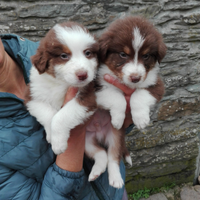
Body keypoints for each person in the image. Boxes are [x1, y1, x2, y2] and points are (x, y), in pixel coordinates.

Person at [0, 33, 135, 200]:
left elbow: (108, 117)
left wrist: (125, 114)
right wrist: (73, 134)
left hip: (114, 191)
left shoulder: (49, 50)